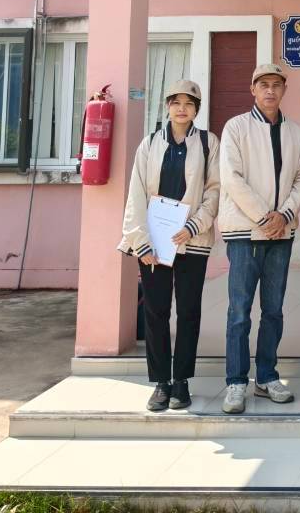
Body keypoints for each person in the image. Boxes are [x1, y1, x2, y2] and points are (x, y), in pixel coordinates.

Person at [117, 80, 220, 412]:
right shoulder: (149, 144)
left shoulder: (208, 143)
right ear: (167, 107)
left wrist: (194, 226)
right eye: (176, 102)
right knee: (156, 311)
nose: (181, 109)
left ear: (196, 109)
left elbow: (214, 190)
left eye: (189, 103)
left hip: (192, 240)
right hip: (155, 243)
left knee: (188, 312)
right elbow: (136, 195)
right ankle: (161, 382)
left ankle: (182, 381)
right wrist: (141, 242)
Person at [219, 63, 300, 414]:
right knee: (239, 311)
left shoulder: (295, 132)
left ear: (284, 89)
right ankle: (235, 382)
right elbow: (231, 177)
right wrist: (264, 217)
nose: (270, 90)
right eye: (263, 85)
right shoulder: (236, 127)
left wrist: (284, 215)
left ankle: (267, 376)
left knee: (273, 310)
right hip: (245, 233)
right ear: (253, 90)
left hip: (281, 234)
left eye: (276, 84)